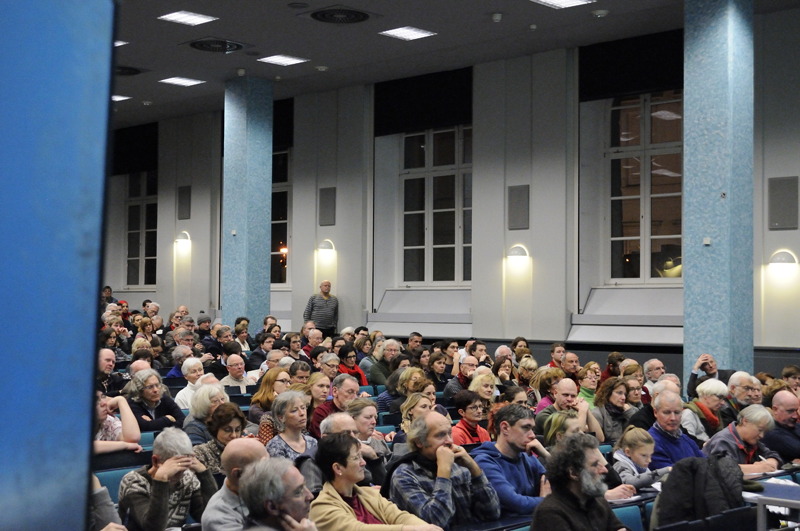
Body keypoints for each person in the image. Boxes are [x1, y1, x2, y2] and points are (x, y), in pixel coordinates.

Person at [387, 411, 501, 529]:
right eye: (440, 435)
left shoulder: (460, 467)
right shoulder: (404, 475)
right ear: (419, 442)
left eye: (449, 433)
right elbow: (435, 523)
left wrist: (474, 469)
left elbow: (492, 513)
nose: (450, 441)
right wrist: (443, 472)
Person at [309, 433, 435, 531]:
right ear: (337, 468)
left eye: (361, 456)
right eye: (356, 458)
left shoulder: (370, 494)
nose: (363, 462)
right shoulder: (321, 508)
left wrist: (427, 528)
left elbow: (399, 516)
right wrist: (410, 529)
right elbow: (357, 529)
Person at [118, 427, 218, 531]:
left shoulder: (187, 477)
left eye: (184, 466)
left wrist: (204, 474)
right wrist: (161, 481)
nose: (181, 474)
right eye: (174, 468)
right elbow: (153, 528)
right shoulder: (133, 482)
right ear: (155, 461)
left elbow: (210, 518)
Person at [530, 433, 627, 531]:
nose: (604, 470)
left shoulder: (598, 501)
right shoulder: (549, 513)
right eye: (595, 465)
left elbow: (619, 528)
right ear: (573, 473)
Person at [472, 404, 549, 516]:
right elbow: (517, 504)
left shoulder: (528, 457)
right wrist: (546, 502)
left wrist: (547, 456)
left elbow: (564, 489)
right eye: (525, 428)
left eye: (532, 429)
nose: (533, 435)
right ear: (505, 428)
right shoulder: (485, 462)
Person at [201, 438, 269, 531]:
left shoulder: (258, 488)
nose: (270, 470)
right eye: (263, 466)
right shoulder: (219, 518)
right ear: (238, 474)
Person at [239, 458, 317, 531]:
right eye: (298, 492)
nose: (310, 496)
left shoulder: (303, 525)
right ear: (272, 507)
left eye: (305, 485)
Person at [703, 404, 783, 473]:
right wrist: (759, 468)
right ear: (745, 421)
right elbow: (723, 470)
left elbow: (773, 455)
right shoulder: (723, 441)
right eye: (760, 430)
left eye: (764, 432)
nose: (761, 435)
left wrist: (771, 463)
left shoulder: (750, 441)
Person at [648, 390, 705, 469]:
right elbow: (674, 476)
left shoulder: (686, 439)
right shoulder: (650, 444)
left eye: (677, 412)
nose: (673, 418)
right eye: (667, 412)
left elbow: (706, 465)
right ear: (655, 412)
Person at [536, 379, 604, 443]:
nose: (569, 399)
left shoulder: (574, 412)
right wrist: (582, 412)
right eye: (565, 395)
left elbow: (600, 439)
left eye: (573, 396)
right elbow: (576, 441)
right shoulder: (544, 415)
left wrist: (587, 410)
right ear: (555, 393)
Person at [193, 402, 247, 475]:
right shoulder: (200, 453)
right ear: (215, 429)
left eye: (237, 430)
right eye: (227, 430)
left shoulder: (246, 452)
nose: (234, 435)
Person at [266, 391, 318, 460]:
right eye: (294, 410)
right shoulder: (275, 445)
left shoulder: (312, 442)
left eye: (303, 408)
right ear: (281, 418)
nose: (302, 413)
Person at [309, 374, 361, 439]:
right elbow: (326, 441)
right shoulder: (322, 412)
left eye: (357, 393)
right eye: (350, 392)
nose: (355, 397)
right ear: (335, 391)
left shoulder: (357, 412)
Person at [681, 378, 728, 446]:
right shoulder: (689, 413)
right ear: (706, 395)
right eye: (720, 397)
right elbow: (686, 443)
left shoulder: (716, 415)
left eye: (724, 399)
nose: (723, 403)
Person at [94, 390, 142, 454]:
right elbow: (87, 446)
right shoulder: (77, 423)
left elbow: (133, 438)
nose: (104, 403)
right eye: (96, 400)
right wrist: (124, 445)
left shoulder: (108, 421)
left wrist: (121, 400)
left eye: (103, 397)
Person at [590, 377, 635, 446]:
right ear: (608, 393)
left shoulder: (629, 411)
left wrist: (629, 414)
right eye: (619, 393)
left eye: (625, 394)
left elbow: (640, 435)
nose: (623, 398)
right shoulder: (597, 414)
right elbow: (598, 442)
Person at [390, 393, 434, 460]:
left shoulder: (434, 432)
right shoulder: (401, 436)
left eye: (430, 407)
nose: (429, 410)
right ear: (410, 410)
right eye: (423, 407)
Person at [762, 390, 800, 463]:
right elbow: (797, 450)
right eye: (790, 411)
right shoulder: (770, 432)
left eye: (796, 410)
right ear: (775, 409)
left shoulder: (796, 426)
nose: (796, 416)